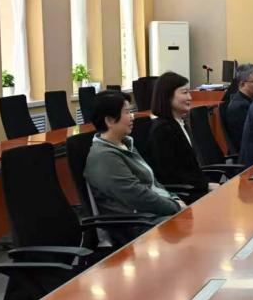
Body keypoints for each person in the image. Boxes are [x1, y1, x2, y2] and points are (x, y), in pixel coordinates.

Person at [84, 90, 184, 228]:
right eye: (127, 112)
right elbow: (137, 197)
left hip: (156, 214)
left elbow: (153, 183)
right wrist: (175, 206)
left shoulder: (125, 143)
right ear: (109, 121)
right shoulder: (103, 157)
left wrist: (174, 199)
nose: (132, 117)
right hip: (140, 224)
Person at [148, 71, 216, 202]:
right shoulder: (162, 130)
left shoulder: (179, 123)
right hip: (183, 195)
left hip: (195, 187)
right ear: (168, 96)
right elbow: (170, 175)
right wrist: (205, 185)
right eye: (185, 93)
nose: (190, 97)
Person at [222, 63, 253, 151]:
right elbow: (252, 139)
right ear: (242, 84)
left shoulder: (252, 101)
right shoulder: (239, 107)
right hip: (250, 154)